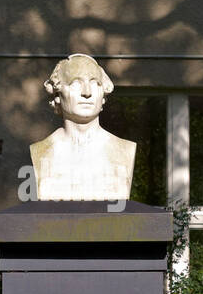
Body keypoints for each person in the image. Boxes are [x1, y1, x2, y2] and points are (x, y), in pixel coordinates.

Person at [30, 53, 136, 201]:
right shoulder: (41, 152)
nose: (87, 92)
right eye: (75, 83)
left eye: (95, 84)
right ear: (58, 94)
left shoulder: (124, 150)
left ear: (103, 95)